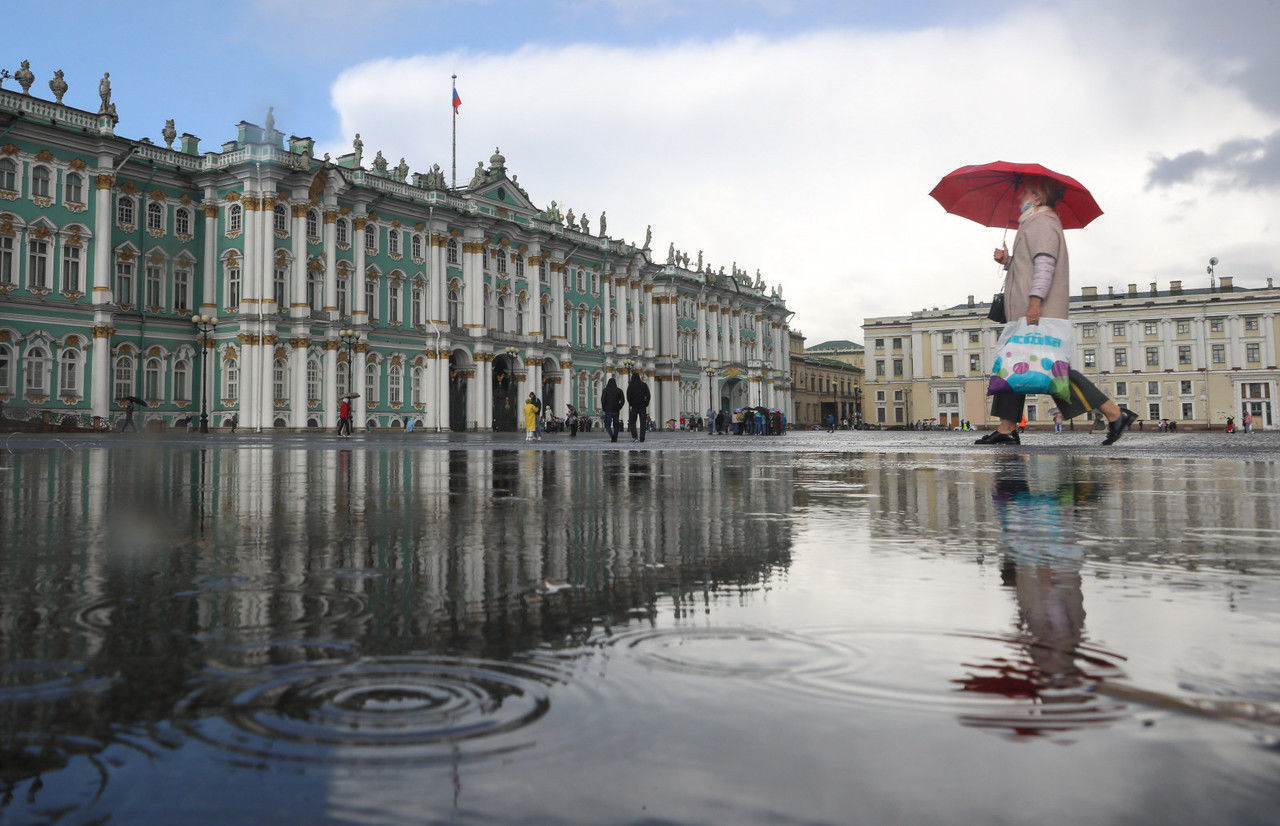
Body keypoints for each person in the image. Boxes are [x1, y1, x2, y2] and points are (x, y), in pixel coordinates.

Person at [977, 176, 1137, 447]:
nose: (1020, 198)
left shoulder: (1042, 221)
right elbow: (1030, 265)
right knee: (1017, 363)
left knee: (1052, 369)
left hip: (1039, 308)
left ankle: (1115, 413)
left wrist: (1036, 301)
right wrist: (1008, 262)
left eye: (1025, 192)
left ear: (1037, 197)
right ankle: (1006, 429)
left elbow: (1045, 264)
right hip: (1027, 309)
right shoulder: (1034, 221)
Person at [626, 372, 650, 442]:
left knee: (632, 422)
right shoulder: (644, 385)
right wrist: (646, 403)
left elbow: (628, 396)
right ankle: (642, 438)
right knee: (643, 423)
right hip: (642, 406)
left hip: (634, 406)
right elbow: (648, 395)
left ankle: (635, 436)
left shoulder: (630, 386)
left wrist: (631, 403)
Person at [601, 377, 624, 442]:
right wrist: (619, 407)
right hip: (616, 410)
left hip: (608, 410)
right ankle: (615, 437)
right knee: (616, 425)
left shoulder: (605, 390)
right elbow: (623, 401)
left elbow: (603, 400)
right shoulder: (619, 390)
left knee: (607, 425)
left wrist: (604, 408)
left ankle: (612, 436)